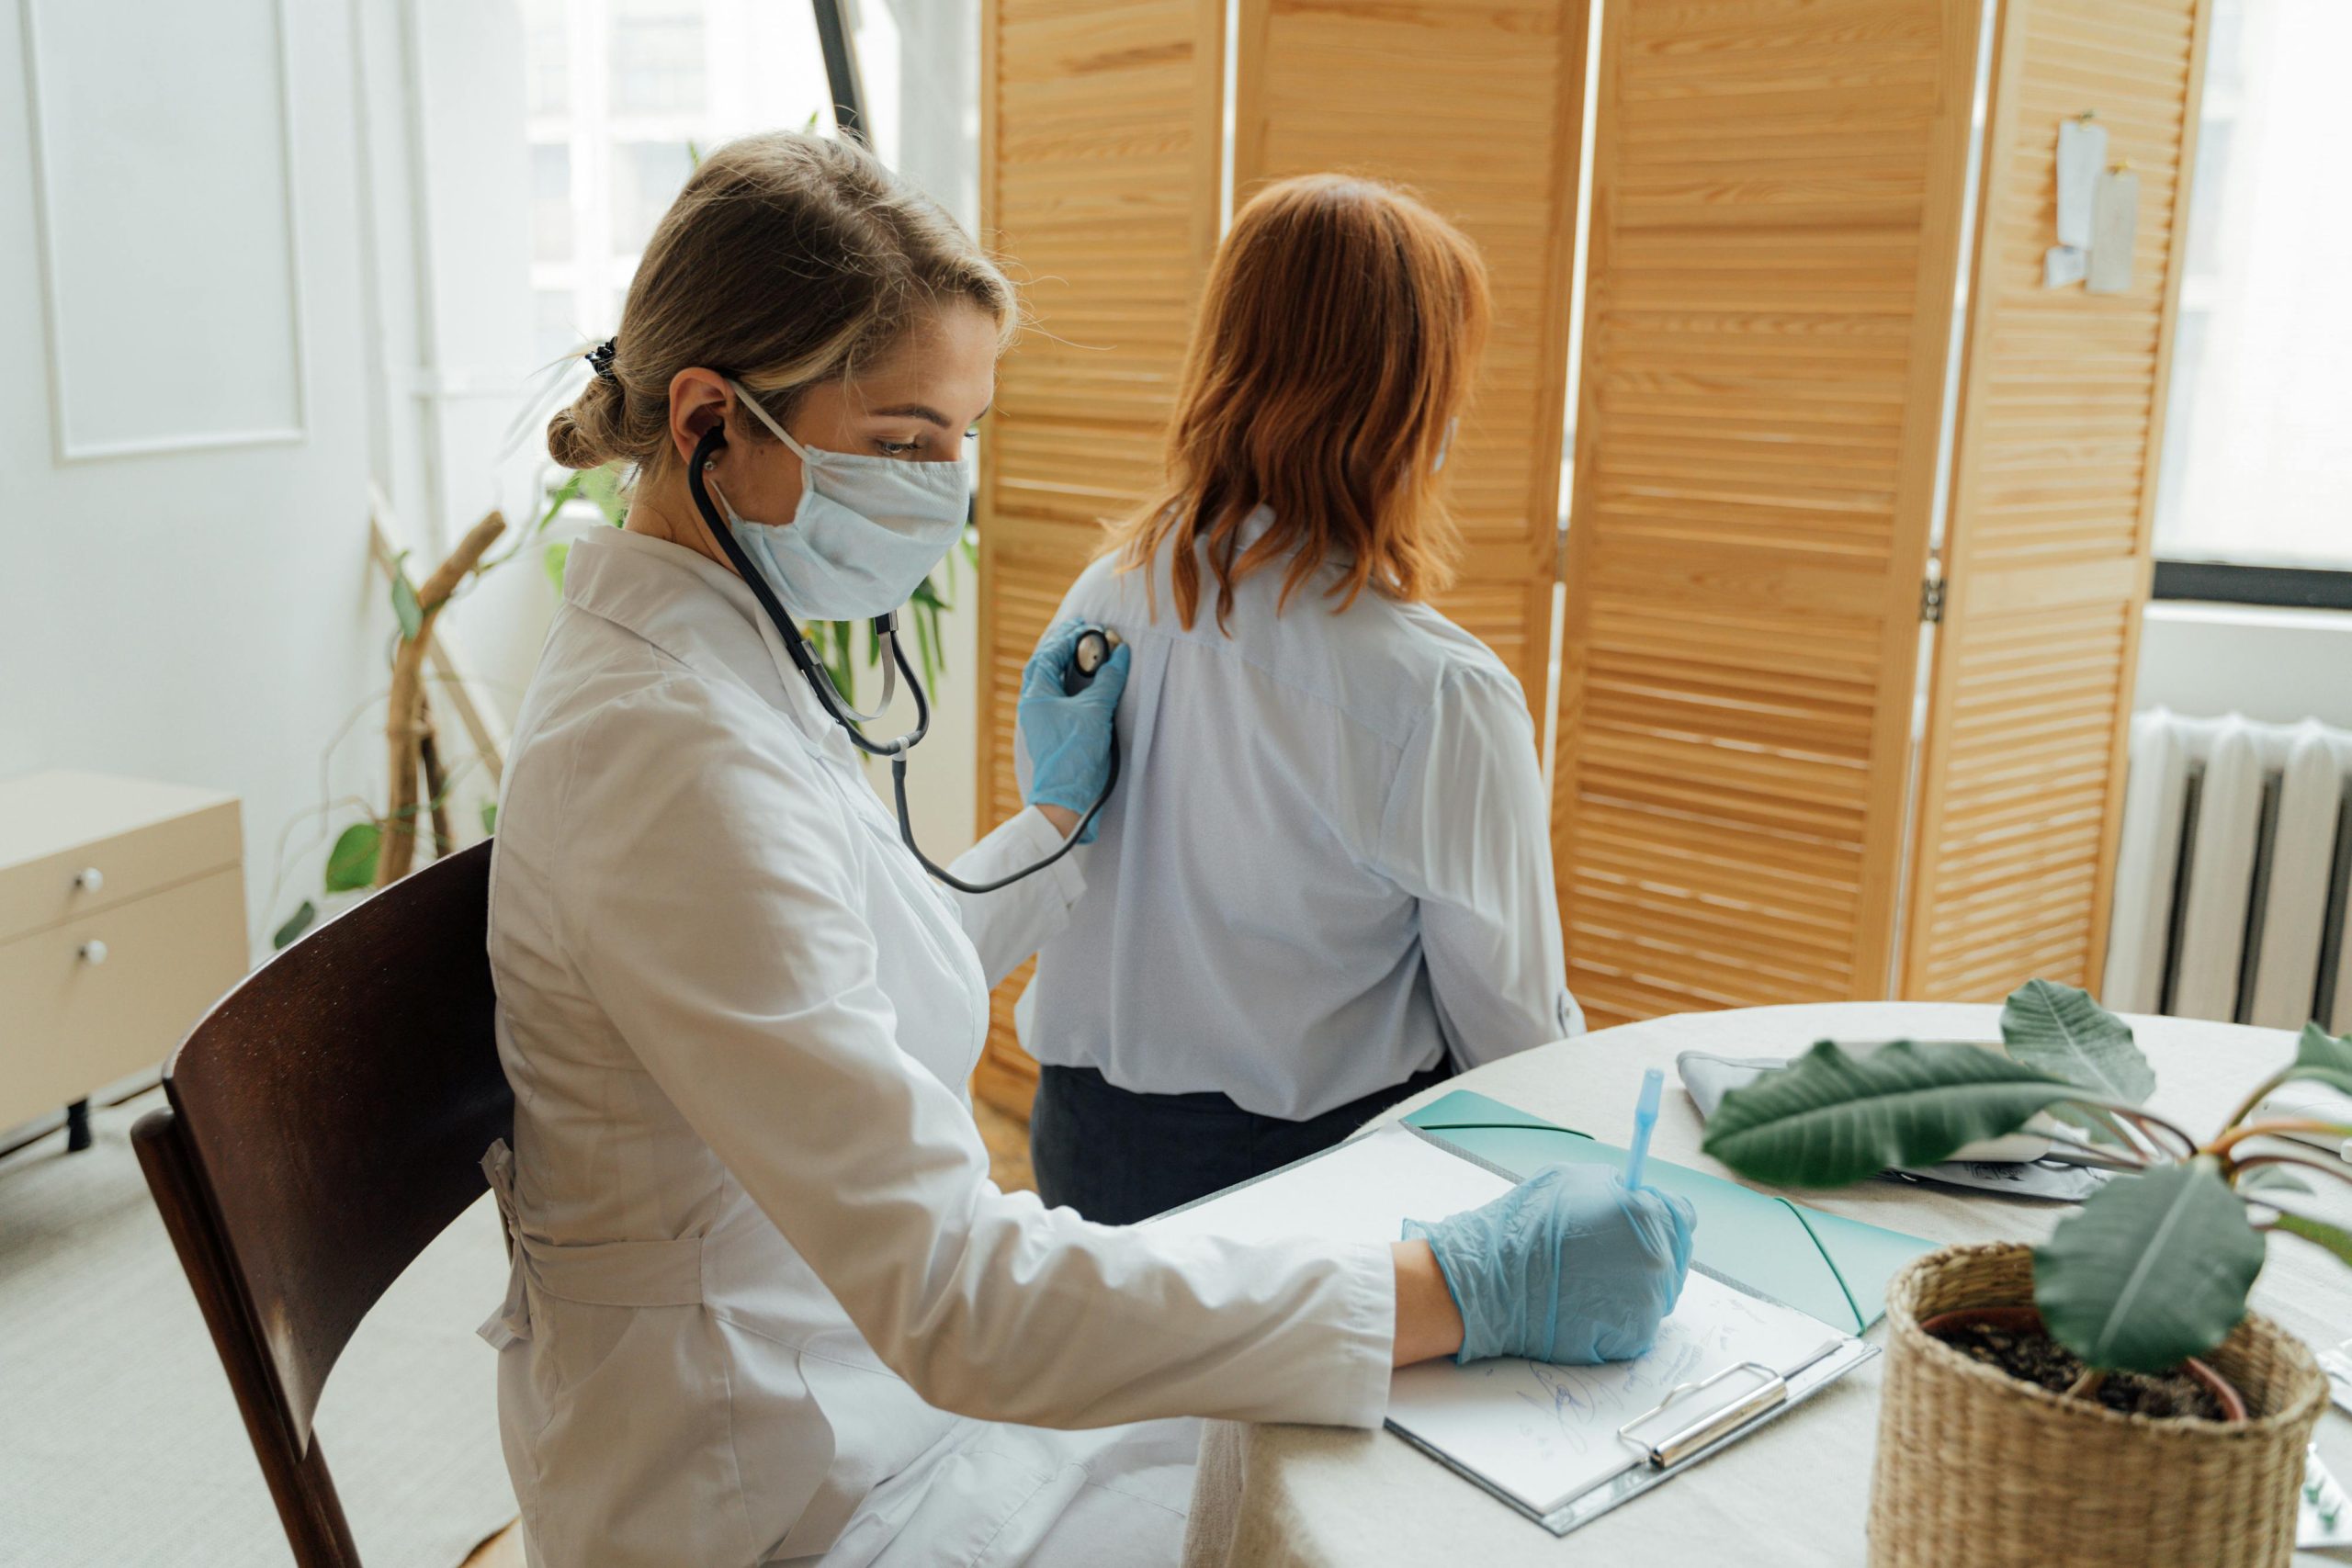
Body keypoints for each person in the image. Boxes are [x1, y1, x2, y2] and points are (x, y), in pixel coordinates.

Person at [481, 131, 1692, 1568]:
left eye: (964, 436)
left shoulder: (718, 668)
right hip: (786, 1481)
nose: (951, 488)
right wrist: (1454, 1286)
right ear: (708, 421)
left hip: (870, 1377)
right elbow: (961, 1301)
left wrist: (1058, 829)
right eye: (910, 442)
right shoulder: (667, 758)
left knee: (1333, 1455)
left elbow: (839, 968)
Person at [1020, 174, 1584, 1224]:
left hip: (1083, 1151)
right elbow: (1510, 1035)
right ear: (1406, 397)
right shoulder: (1438, 692)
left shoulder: (1104, 597)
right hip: (1307, 1183)